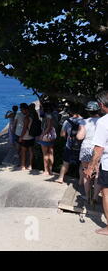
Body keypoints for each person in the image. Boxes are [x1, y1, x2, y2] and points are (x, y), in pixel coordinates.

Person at [84, 90, 108, 236]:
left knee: (106, 193)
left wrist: (90, 167)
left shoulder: (104, 122)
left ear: (100, 104)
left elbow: (98, 149)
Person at [77, 101, 102, 203]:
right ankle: (95, 197)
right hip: (99, 149)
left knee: (86, 172)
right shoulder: (103, 121)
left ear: (87, 111)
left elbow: (80, 136)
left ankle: (87, 197)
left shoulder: (84, 122)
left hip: (86, 148)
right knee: (97, 173)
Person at [56, 106, 84, 183]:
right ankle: (80, 182)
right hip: (81, 147)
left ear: (70, 112)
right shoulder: (85, 121)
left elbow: (62, 134)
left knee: (65, 163)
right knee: (82, 165)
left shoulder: (67, 121)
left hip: (69, 145)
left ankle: (61, 178)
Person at [37, 103, 57, 175]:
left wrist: (42, 135)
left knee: (45, 154)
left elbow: (48, 127)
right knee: (51, 153)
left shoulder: (47, 116)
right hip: (52, 136)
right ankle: (50, 170)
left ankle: (46, 170)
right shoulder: (53, 115)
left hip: (46, 136)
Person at [18, 103, 35, 170]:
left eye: (22, 110)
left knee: (23, 151)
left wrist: (21, 137)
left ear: (26, 109)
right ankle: (30, 165)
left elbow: (24, 129)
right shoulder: (32, 116)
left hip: (25, 137)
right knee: (31, 151)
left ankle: (23, 165)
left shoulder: (26, 118)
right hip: (32, 136)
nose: (21, 111)